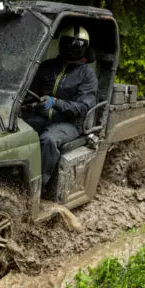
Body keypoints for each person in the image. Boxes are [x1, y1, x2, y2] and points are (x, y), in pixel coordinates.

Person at [24, 25, 98, 186]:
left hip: (70, 124)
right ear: (61, 43)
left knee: (48, 140)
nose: (73, 47)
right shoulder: (47, 66)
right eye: (68, 42)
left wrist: (56, 102)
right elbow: (29, 93)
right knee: (14, 132)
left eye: (78, 44)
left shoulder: (87, 75)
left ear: (84, 47)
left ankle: (37, 186)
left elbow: (82, 108)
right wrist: (33, 104)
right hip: (40, 118)